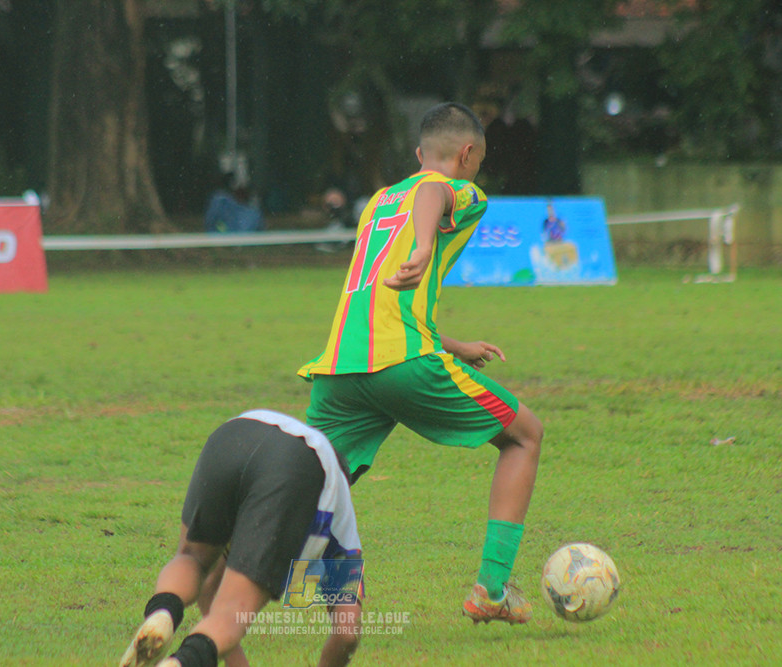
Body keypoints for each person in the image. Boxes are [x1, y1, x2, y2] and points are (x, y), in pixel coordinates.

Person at [297, 102, 544, 625]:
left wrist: (455, 346)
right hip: (403, 363)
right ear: (468, 153)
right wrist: (429, 242)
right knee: (525, 435)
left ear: (415, 153)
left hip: (341, 367)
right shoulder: (456, 190)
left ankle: (212, 575)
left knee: (305, 491)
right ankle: (492, 590)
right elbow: (435, 189)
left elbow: (381, 301)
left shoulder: (380, 201)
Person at [119, 409, 364, 667]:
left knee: (192, 558)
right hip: (296, 464)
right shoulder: (339, 515)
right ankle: (181, 663)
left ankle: (163, 611)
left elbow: (210, 585)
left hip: (233, 433)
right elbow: (347, 634)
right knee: (233, 611)